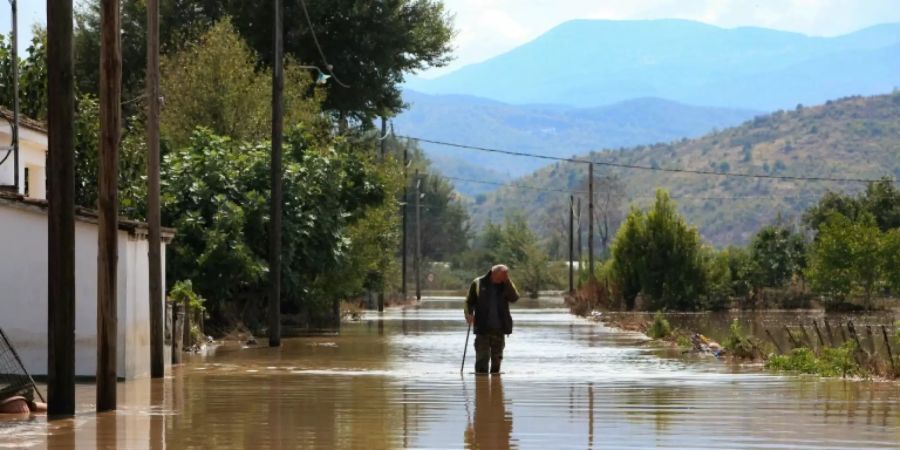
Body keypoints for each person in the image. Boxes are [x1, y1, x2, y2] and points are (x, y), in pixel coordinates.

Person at [464, 264, 519, 374]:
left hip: (500, 328)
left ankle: (496, 386)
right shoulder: (478, 283)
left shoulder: (506, 283)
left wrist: (507, 281)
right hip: (482, 327)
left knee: (497, 362)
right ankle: (481, 385)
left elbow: (514, 298)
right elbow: (469, 301)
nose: (504, 278)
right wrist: (468, 314)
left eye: (506, 276)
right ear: (494, 274)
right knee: (482, 360)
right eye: (502, 276)